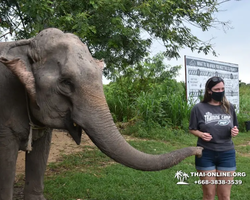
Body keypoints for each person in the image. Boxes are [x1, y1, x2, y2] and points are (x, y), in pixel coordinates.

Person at [189, 76, 239, 200]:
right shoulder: (198, 108)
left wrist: (235, 131)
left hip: (227, 154)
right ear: (209, 91)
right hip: (205, 154)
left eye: (222, 88)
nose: (220, 91)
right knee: (209, 195)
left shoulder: (229, 107)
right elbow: (192, 128)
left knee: (224, 196)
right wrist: (200, 134)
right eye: (217, 89)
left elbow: (235, 127)